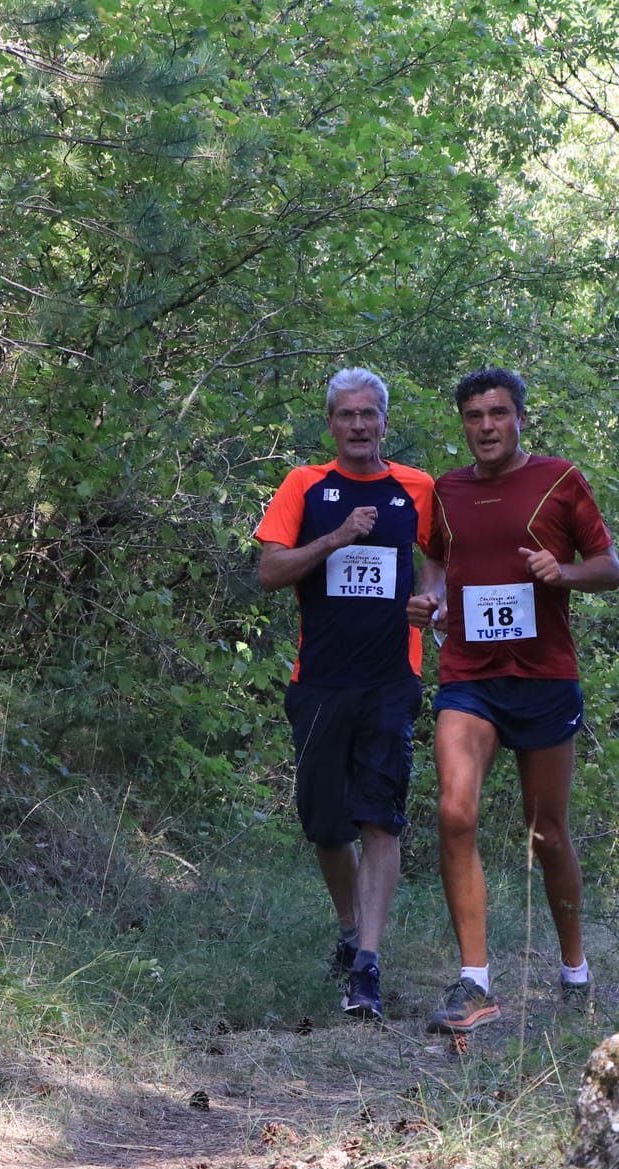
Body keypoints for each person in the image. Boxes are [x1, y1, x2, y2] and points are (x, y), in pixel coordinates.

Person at [407, 367, 619, 1034]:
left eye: (498, 413)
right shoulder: (446, 490)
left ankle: (574, 971)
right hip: (470, 673)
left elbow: (610, 570)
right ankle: (474, 982)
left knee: (547, 832)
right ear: (463, 424)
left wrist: (565, 572)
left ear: (521, 418)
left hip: (543, 675)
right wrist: (431, 600)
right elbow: (438, 568)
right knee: (454, 812)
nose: (486, 426)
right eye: (474, 415)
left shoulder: (558, 480)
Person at [255, 368, 434, 1021]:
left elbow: (442, 556)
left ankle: (367, 965)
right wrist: (334, 538)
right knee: (324, 822)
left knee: (379, 817)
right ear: (331, 423)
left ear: (385, 422)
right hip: (320, 680)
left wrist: (432, 597)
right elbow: (270, 570)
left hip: (392, 677)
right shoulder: (306, 486)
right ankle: (352, 927)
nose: (359, 425)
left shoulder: (418, 487)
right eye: (347, 415)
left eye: (369, 415)